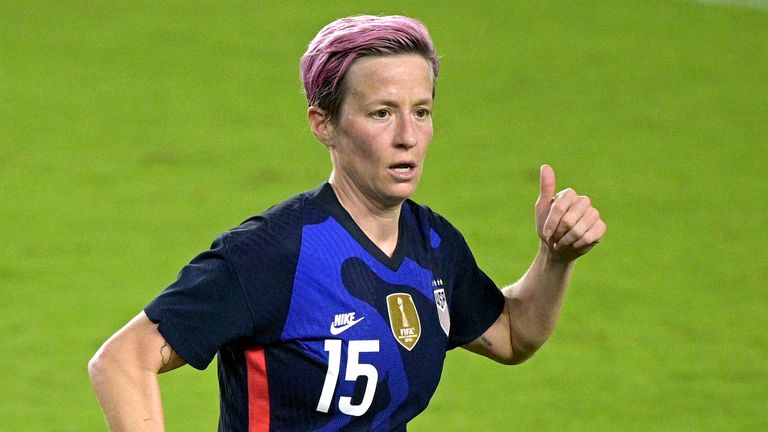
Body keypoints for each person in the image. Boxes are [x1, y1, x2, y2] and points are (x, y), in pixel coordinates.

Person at [88, 14, 606, 432]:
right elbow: (122, 361)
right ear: (324, 125)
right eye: (382, 113)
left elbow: (513, 334)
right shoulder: (275, 253)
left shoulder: (433, 244)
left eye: (421, 112)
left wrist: (555, 258)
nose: (407, 135)